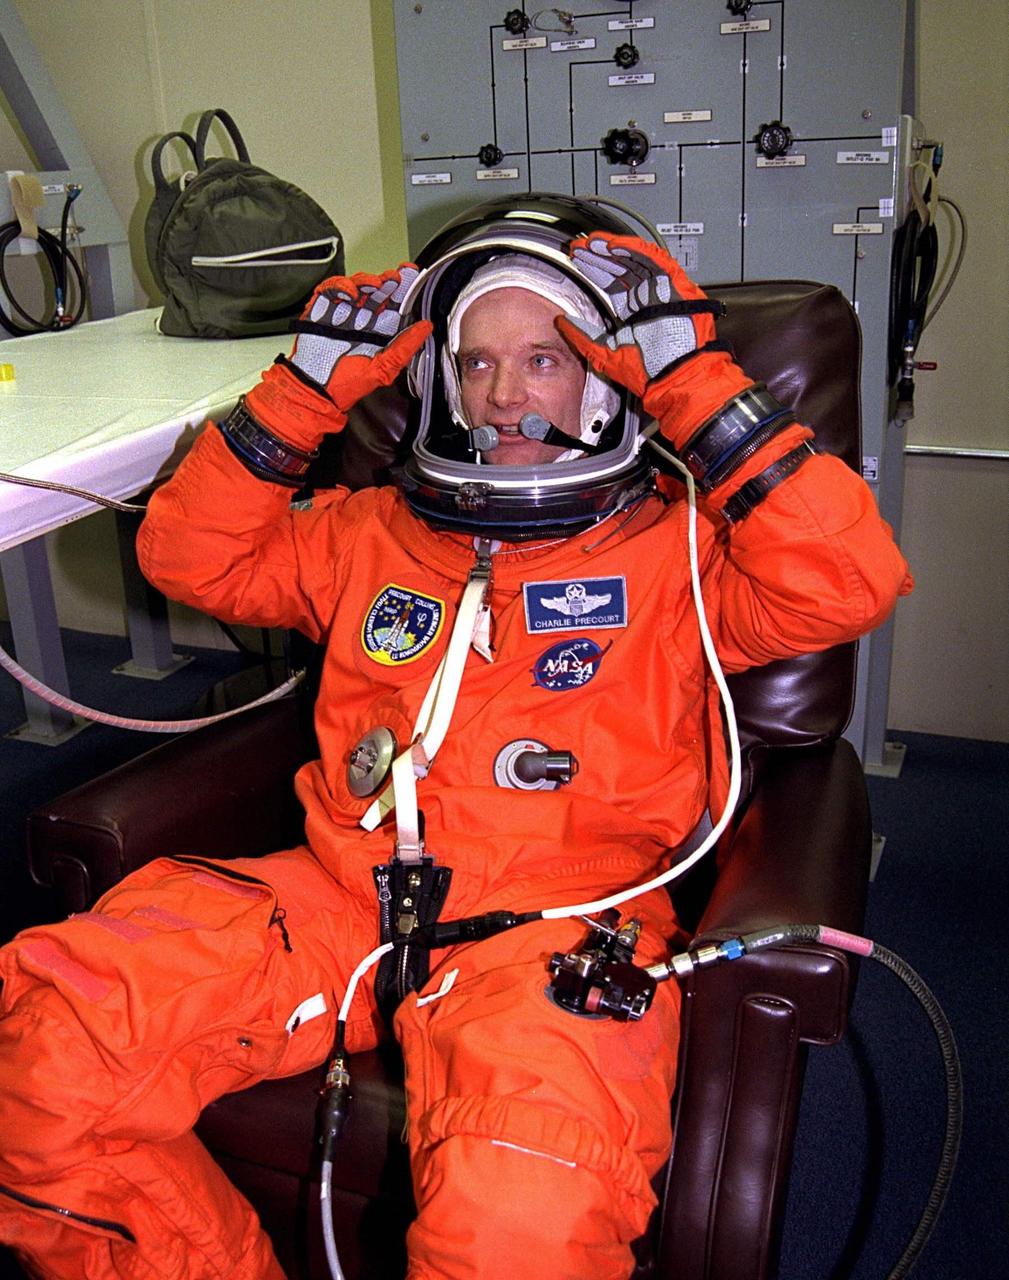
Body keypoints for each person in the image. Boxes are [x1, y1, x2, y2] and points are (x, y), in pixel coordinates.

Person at [0, 195, 912, 1280]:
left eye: (545, 357)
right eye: (477, 363)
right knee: (46, 1049)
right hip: (338, 897)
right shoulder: (369, 534)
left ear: (612, 378)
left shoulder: (683, 553)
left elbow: (847, 582)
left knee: (518, 1208)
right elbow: (189, 557)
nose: (506, 393)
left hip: (556, 927)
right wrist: (300, 396)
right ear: (440, 383)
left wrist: (696, 380)